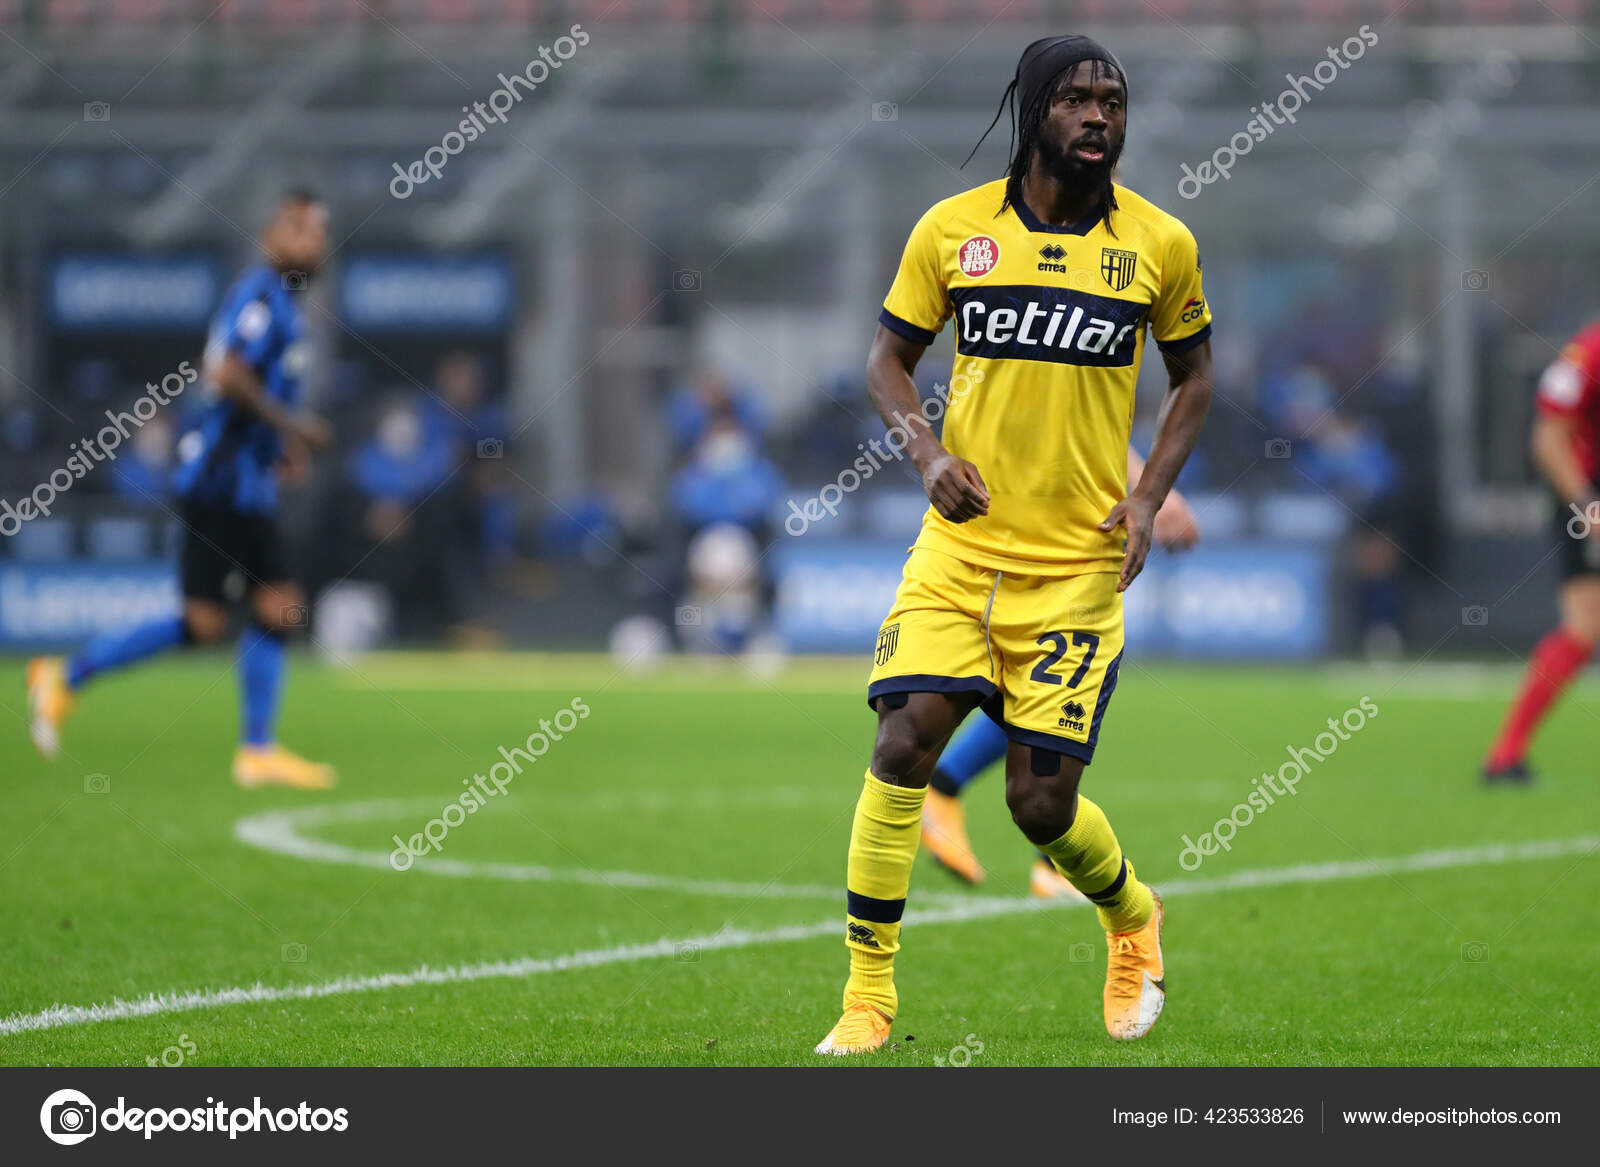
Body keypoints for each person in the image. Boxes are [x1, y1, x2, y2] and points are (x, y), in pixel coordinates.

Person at [814, 36, 1213, 1054]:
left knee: (1039, 805)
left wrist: (1147, 496)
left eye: (1113, 102)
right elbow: (887, 361)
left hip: (1076, 566)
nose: (1098, 118)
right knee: (904, 741)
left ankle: (1129, 915)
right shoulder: (953, 231)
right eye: (1078, 100)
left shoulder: (1159, 244)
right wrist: (923, 454)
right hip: (959, 553)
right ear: (1034, 111)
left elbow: (1194, 380)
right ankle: (867, 1000)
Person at [27, 189, 338, 789]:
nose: (312, 242)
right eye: (299, 229)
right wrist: (294, 427)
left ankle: (65, 679)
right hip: (225, 485)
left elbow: (244, 389)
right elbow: (226, 376)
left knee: (204, 622)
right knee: (278, 605)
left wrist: (281, 447)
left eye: (320, 231)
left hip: (233, 481)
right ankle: (256, 749)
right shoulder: (261, 298)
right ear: (270, 238)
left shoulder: (281, 305)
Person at [920, 447, 1199, 895]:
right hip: (1034, 530)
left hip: (1047, 523)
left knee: (1056, 692)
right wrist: (1151, 492)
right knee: (1060, 691)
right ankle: (1029, 849)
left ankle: (959, 796)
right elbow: (1071, 411)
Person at [1482, 321, 1600, 783]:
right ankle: (1505, 754)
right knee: (1583, 627)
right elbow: (1548, 439)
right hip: (1587, 496)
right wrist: (1587, 505)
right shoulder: (1586, 353)